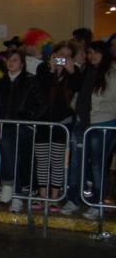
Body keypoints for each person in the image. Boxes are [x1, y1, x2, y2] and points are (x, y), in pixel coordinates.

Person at [61, 41, 116, 219]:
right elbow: (77, 92)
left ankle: (97, 202)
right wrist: (78, 106)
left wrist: (97, 107)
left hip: (103, 123)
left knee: (97, 166)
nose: (92, 56)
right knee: (76, 163)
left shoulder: (112, 72)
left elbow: (111, 99)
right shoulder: (86, 70)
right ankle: (73, 199)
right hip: (82, 122)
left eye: (96, 52)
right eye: (90, 52)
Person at [0, 49, 46, 213]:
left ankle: (10, 185)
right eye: (9, 59)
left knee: (14, 152)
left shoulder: (30, 81)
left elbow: (41, 103)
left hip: (23, 126)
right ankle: (15, 195)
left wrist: (27, 118)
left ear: (22, 63)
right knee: (12, 156)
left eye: (15, 60)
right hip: (7, 125)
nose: (11, 63)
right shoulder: (1, 82)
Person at [34, 41, 81, 212]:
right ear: (54, 55)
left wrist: (71, 70)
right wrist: (51, 69)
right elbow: (42, 87)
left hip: (62, 124)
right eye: (61, 55)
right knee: (42, 162)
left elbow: (78, 87)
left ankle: (54, 197)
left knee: (57, 162)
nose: (63, 59)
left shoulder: (74, 73)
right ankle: (42, 195)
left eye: (67, 56)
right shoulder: (43, 69)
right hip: (44, 123)